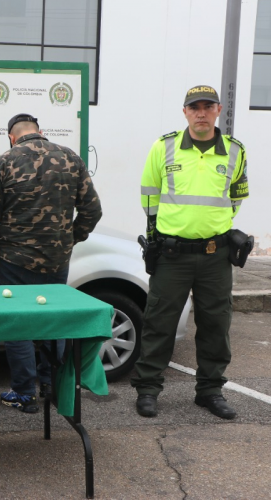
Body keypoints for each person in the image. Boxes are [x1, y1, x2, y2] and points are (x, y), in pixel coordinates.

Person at [131, 85, 249, 420]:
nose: (200, 113)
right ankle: (148, 390)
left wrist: (213, 224)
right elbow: (150, 194)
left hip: (216, 255)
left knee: (215, 323)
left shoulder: (235, 151)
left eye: (207, 106)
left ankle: (210, 391)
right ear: (185, 112)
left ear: (218, 111)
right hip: (172, 255)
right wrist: (155, 237)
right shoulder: (164, 146)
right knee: (159, 322)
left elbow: (237, 197)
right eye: (193, 107)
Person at [0, 113, 102, 413]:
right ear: (40, 132)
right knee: (52, 320)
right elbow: (93, 210)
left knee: (18, 322)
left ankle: (24, 393)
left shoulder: (4, 161)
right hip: (56, 260)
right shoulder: (71, 158)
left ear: (12, 136)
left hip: (13, 259)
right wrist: (70, 238)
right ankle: (52, 384)